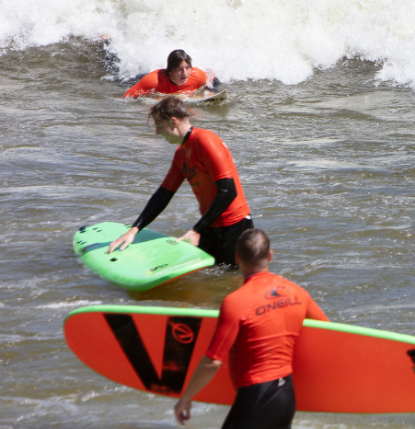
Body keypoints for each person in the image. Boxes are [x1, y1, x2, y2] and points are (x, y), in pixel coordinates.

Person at [174, 229, 328, 428]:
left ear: (237, 258)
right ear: (270, 255)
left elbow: (213, 361)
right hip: (287, 397)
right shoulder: (298, 293)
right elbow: (327, 334)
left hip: (257, 398)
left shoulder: (235, 302)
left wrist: (185, 398)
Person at [107, 96, 252, 266]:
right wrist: (134, 229)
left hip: (235, 226)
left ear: (173, 122)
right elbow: (163, 194)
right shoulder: (180, 154)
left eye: (159, 125)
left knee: (231, 280)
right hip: (210, 226)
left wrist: (197, 229)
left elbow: (228, 190)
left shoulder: (206, 141)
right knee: (212, 282)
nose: (157, 132)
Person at [123, 49, 217, 98]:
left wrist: (213, 92)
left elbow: (213, 78)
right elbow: (126, 97)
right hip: (136, 79)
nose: (185, 73)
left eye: (187, 68)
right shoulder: (153, 82)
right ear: (170, 71)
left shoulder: (196, 75)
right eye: (179, 69)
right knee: (120, 78)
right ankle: (108, 41)